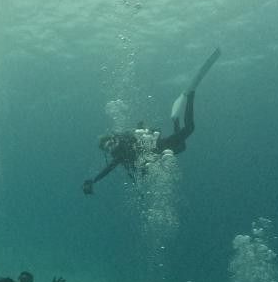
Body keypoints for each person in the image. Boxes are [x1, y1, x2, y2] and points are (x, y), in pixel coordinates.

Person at [83, 48, 221, 195]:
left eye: (110, 142)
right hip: (156, 159)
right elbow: (109, 168)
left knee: (189, 128)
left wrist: (143, 129)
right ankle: (175, 120)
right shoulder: (118, 157)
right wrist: (94, 181)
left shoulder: (125, 138)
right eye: (108, 147)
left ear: (113, 138)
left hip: (159, 146)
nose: (111, 146)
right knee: (182, 147)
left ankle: (190, 94)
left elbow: (142, 133)